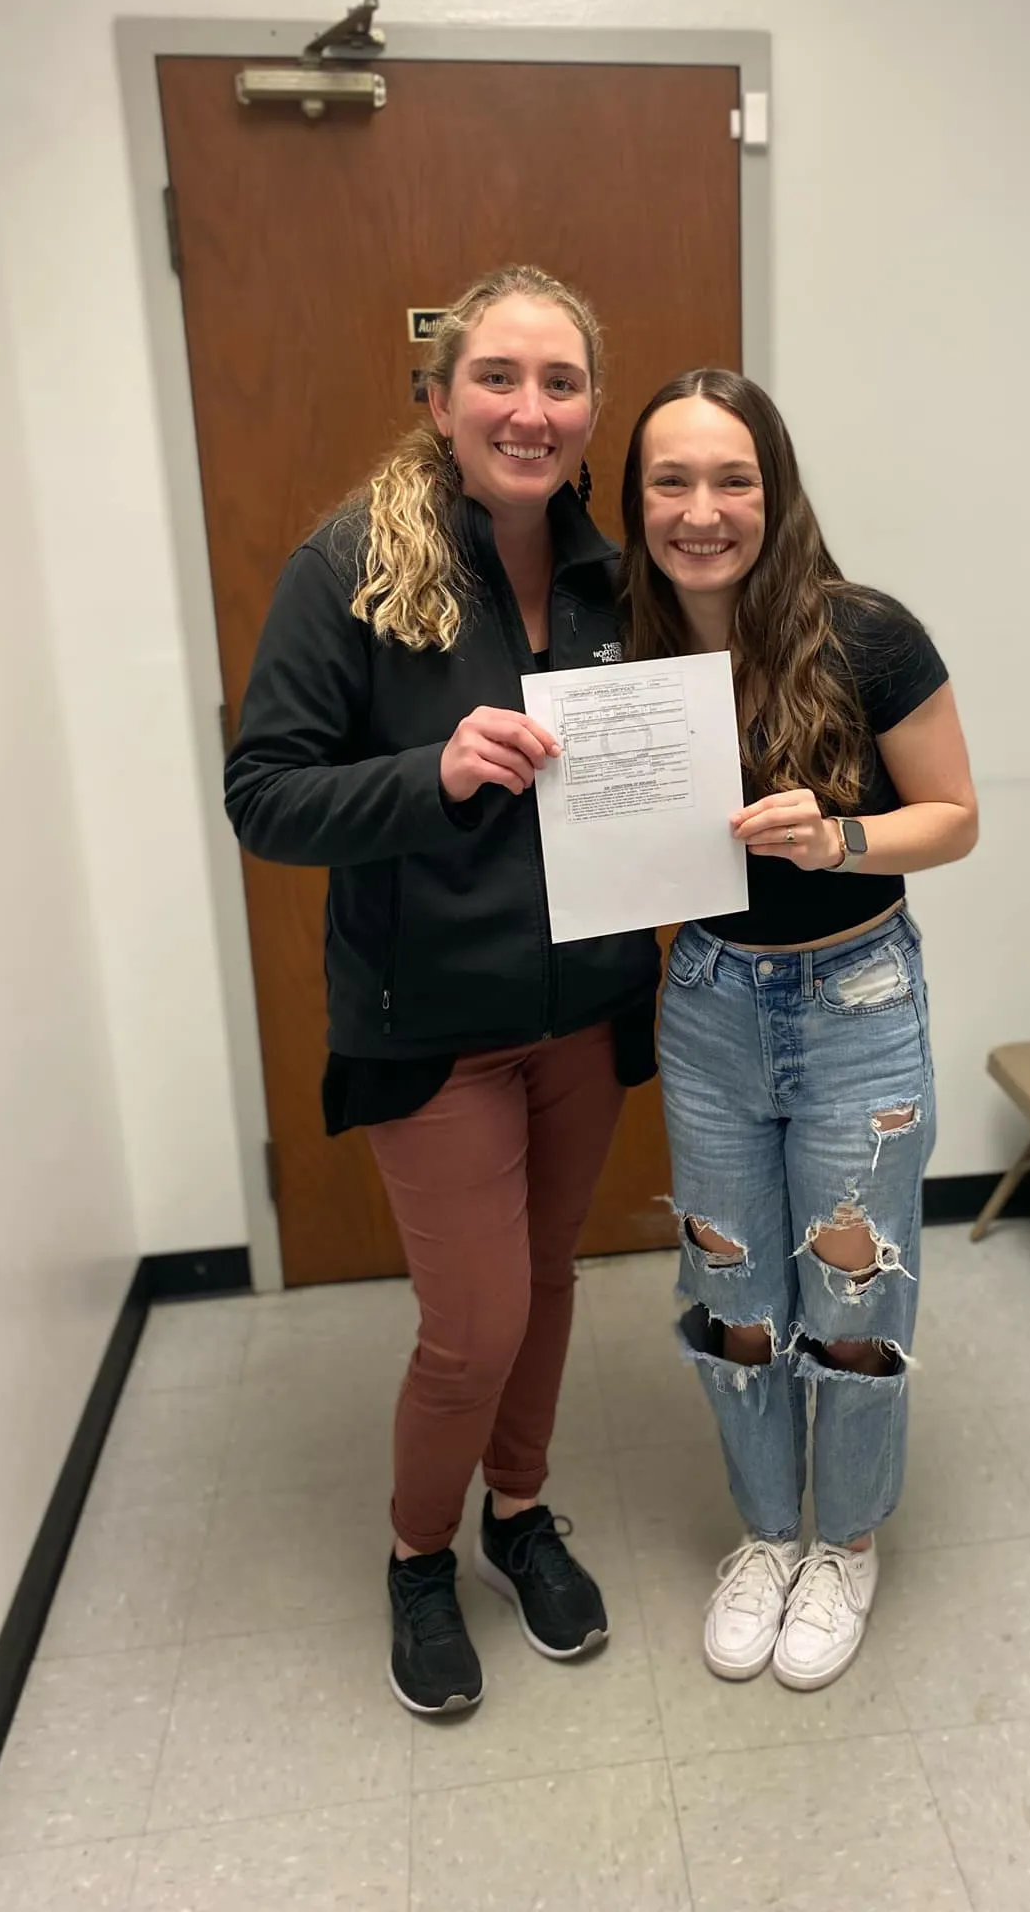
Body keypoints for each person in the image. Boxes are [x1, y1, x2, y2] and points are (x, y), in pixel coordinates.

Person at [225, 265, 660, 1717]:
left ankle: (519, 1517)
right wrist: (433, 774)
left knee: (543, 1289)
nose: (530, 411)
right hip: (435, 1031)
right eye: (499, 379)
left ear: (593, 412)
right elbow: (265, 798)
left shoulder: (620, 572)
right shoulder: (352, 564)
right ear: (439, 399)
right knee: (470, 1322)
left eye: (561, 384)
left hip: (589, 1014)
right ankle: (418, 1553)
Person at [619, 369, 979, 1690]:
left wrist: (838, 838)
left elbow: (955, 815)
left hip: (858, 1001)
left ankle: (851, 1544)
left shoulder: (868, 634)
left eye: (732, 479)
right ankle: (769, 1535)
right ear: (638, 500)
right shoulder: (619, 647)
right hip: (710, 1000)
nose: (703, 509)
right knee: (732, 1294)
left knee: (855, 1289)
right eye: (672, 480)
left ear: (775, 489)